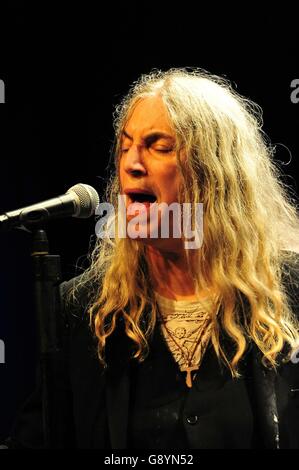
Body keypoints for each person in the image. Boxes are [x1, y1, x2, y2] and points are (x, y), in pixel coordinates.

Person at [5, 68, 299, 449]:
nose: (132, 163)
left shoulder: (289, 292)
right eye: (125, 147)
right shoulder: (84, 310)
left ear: (214, 173)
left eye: (158, 147)